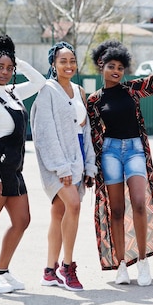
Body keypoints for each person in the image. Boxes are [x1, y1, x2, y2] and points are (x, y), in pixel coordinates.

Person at [87, 25, 153, 286]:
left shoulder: (132, 90)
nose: (116, 71)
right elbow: (89, 136)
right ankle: (121, 265)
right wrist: (88, 169)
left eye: (120, 68)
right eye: (111, 66)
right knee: (116, 211)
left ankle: (143, 262)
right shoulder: (94, 100)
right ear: (102, 66)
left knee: (138, 203)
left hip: (134, 150)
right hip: (109, 152)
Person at [0, 34, 46, 293]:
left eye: (9, 68)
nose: (4, 72)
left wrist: (17, 60)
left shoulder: (13, 92)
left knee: (22, 219)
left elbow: (39, 82)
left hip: (14, 168)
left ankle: (3, 269)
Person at [30, 41, 96, 291]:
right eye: (62, 61)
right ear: (53, 64)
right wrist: (62, 168)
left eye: (72, 61)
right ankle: (67, 268)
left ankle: (49, 271)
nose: (68, 65)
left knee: (59, 213)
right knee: (75, 206)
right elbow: (44, 133)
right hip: (57, 164)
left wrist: (88, 166)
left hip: (77, 160)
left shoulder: (79, 91)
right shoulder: (48, 91)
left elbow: (85, 130)